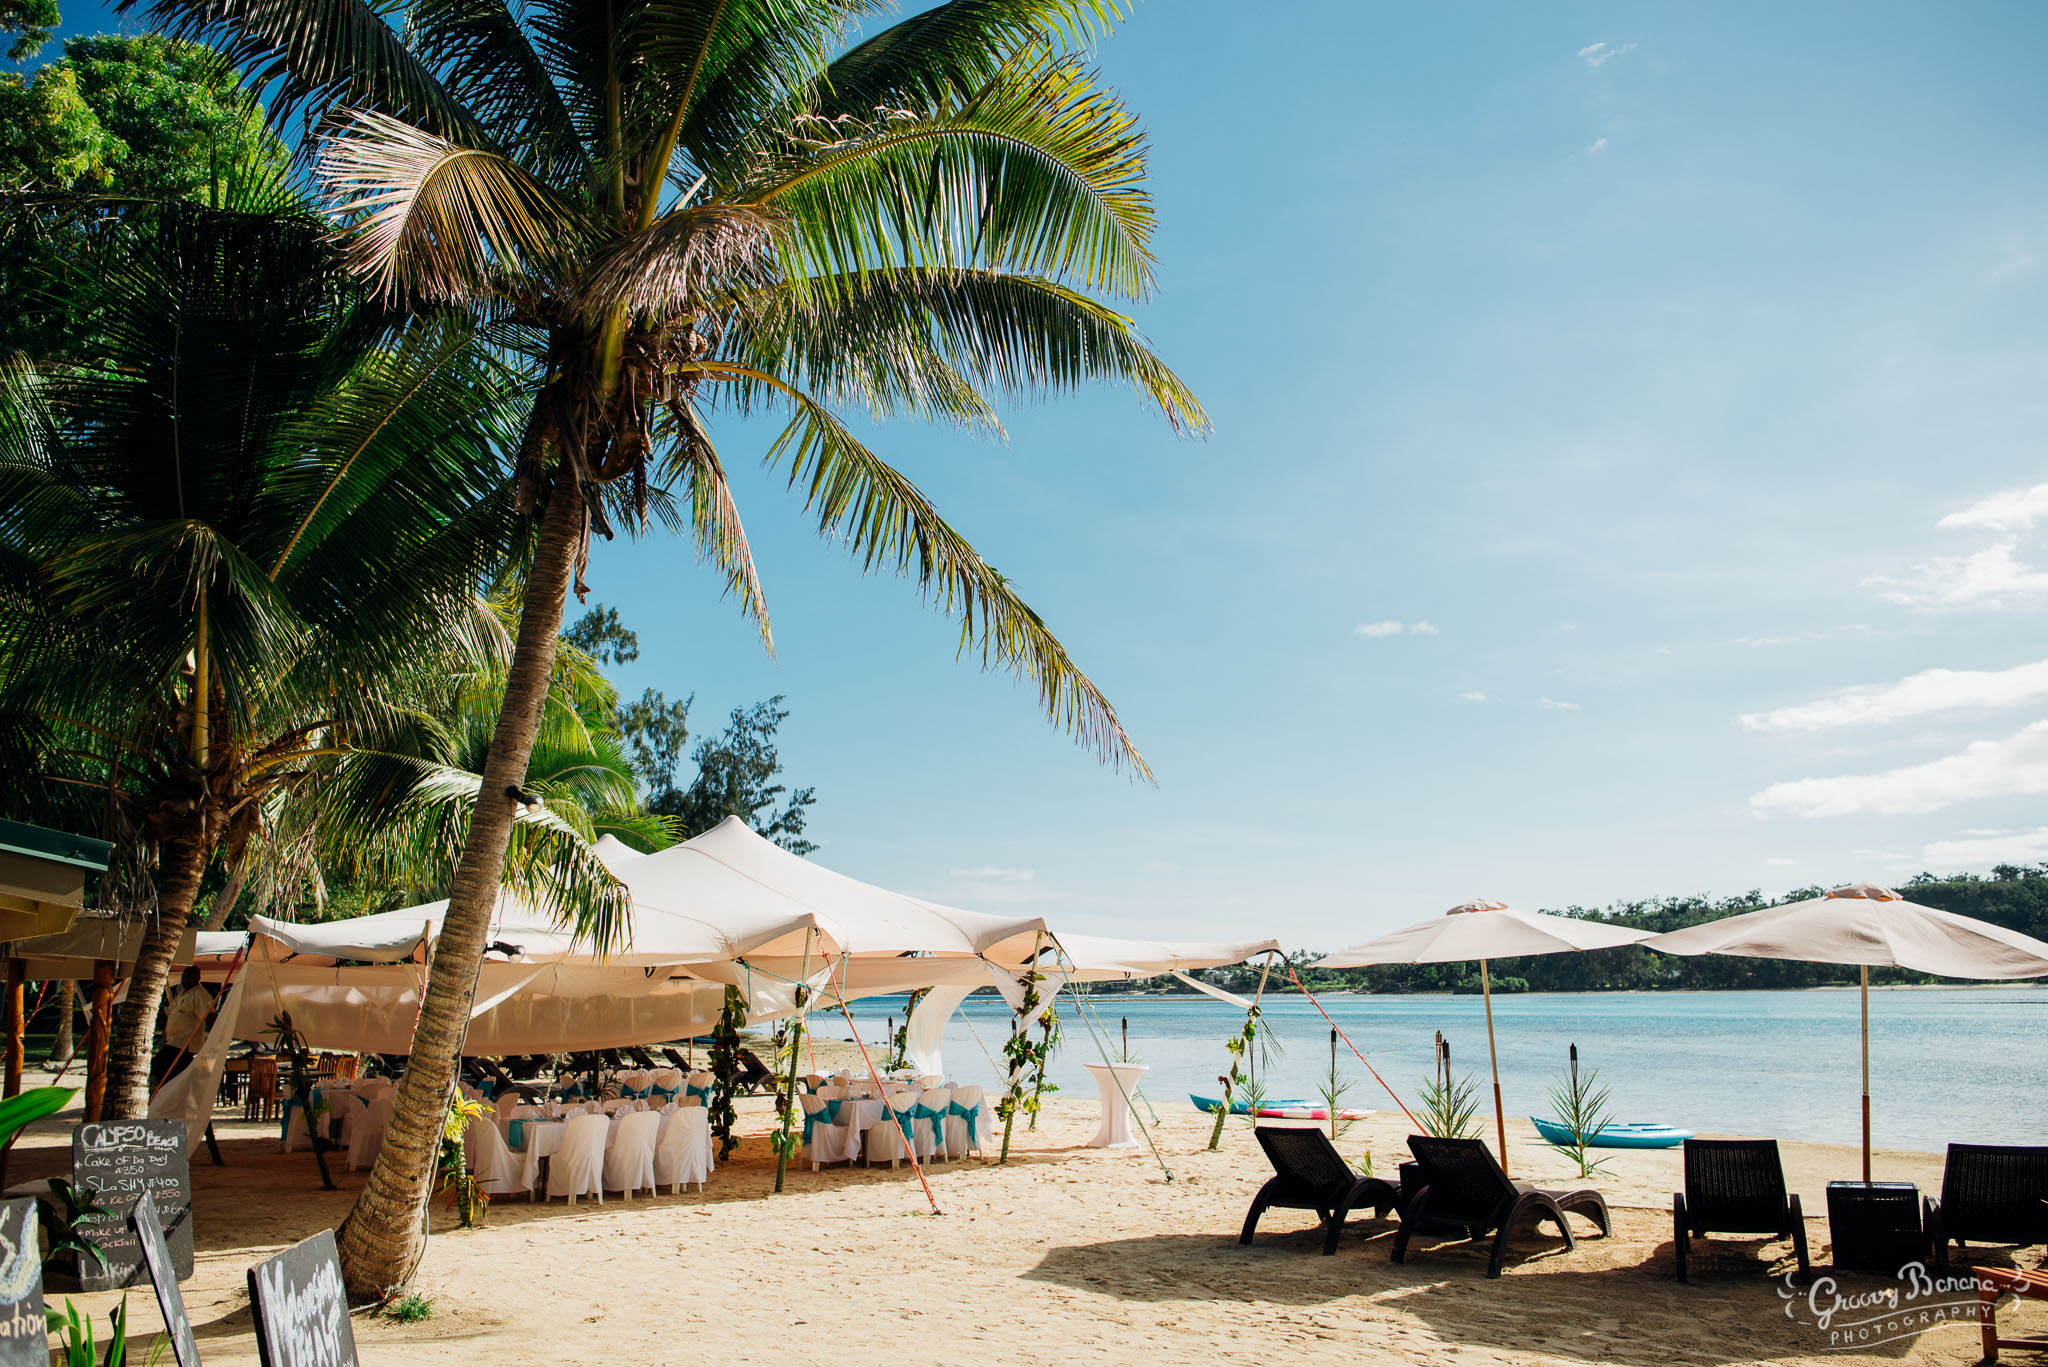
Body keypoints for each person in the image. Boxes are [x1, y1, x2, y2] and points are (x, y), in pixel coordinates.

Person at [151, 966, 214, 1089]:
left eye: (188, 977)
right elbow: (169, 1011)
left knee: (160, 1066)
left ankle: (165, 1095)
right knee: (167, 1074)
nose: (184, 979)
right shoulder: (183, 994)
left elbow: (208, 1015)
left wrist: (219, 1033)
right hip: (173, 1041)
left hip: (184, 1044)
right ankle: (164, 1095)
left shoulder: (200, 994)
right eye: (183, 977)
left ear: (197, 978)